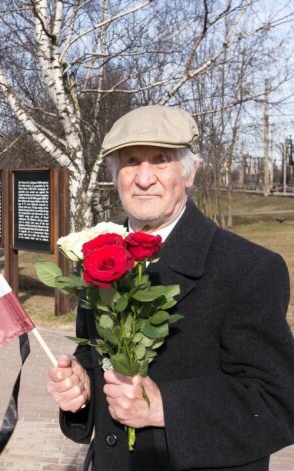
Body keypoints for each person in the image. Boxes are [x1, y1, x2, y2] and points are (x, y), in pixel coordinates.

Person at [45, 105, 294, 470]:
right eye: (131, 161)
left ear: (189, 173)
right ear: (115, 174)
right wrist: (82, 391)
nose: (144, 178)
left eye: (161, 160)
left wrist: (167, 407)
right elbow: (96, 364)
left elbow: (278, 401)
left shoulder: (248, 268)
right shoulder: (98, 255)